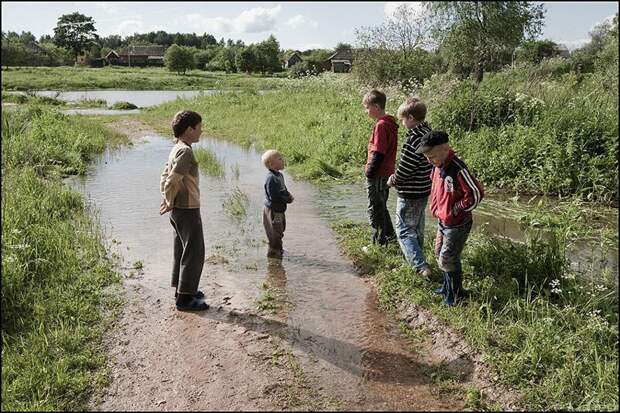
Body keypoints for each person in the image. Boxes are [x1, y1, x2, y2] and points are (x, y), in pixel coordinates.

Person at [416, 131, 484, 306]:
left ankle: (455, 296)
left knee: (448, 257)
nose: (428, 160)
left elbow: (476, 193)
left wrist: (457, 209)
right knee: (439, 254)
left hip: (457, 223)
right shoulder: (437, 167)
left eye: (431, 156)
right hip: (443, 221)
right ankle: (448, 287)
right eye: (426, 157)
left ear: (445, 149)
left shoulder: (458, 169)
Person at [159, 110, 209, 312]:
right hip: (187, 208)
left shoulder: (177, 147)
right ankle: (185, 299)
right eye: (199, 127)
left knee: (181, 249)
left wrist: (166, 198)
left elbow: (164, 175)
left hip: (179, 207)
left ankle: (182, 289)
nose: (201, 131)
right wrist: (168, 200)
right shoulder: (186, 152)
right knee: (194, 252)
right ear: (190, 129)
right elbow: (172, 179)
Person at [387, 97, 433, 278]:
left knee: (404, 229)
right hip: (424, 189)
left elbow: (406, 168)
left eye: (403, 119)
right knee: (417, 228)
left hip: (410, 191)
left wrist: (393, 179)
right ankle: (417, 260)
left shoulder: (414, 138)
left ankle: (419, 266)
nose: (403, 123)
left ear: (411, 118)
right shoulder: (428, 133)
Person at [362, 89, 399, 246]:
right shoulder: (389, 123)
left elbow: (379, 152)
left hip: (378, 173)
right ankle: (389, 237)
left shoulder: (382, 125)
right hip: (386, 172)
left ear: (376, 106)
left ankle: (378, 244)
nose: (366, 110)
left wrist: (370, 172)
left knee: (375, 208)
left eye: (367, 107)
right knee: (381, 206)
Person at [262, 149, 294, 259]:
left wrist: (288, 194)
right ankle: (274, 256)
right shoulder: (271, 178)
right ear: (271, 164)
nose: (283, 160)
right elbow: (274, 197)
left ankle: (277, 249)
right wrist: (287, 199)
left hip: (279, 210)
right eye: (280, 159)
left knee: (280, 229)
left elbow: (283, 189)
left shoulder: (279, 176)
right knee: (275, 233)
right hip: (273, 210)